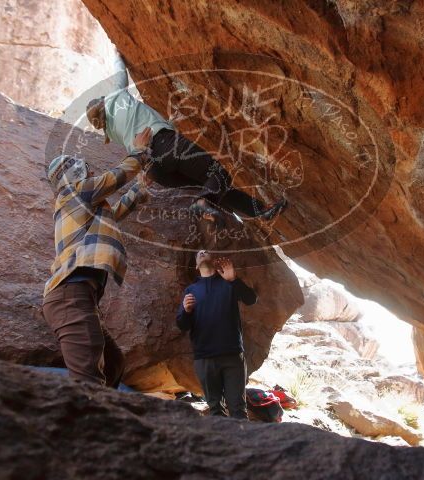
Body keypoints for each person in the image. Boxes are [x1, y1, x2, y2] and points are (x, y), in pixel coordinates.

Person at [86, 52, 288, 223]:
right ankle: (203, 204)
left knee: (210, 185)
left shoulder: (112, 133)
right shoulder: (114, 98)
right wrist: (116, 52)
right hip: (165, 144)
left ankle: (260, 211)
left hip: (155, 170)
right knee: (218, 173)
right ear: (103, 103)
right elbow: (119, 73)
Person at [42, 127, 153, 387]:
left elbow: (112, 215)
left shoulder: (78, 205)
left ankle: (106, 415)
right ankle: (91, 422)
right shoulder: (74, 192)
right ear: (73, 175)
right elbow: (115, 178)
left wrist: (139, 189)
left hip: (78, 296)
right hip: (70, 296)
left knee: (113, 362)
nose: (91, 173)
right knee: (88, 381)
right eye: (85, 170)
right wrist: (138, 152)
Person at [176, 250, 257, 418]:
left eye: (206, 251)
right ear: (196, 266)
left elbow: (251, 299)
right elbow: (182, 325)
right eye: (199, 253)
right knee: (215, 410)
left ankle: (243, 444)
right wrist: (186, 311)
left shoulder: (228, 283)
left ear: (213, 261)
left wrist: (234, 280)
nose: (203, 252)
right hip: (204, 357)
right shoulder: (191, 290)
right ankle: (222, 444)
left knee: (238, 408)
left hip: (232, 354)